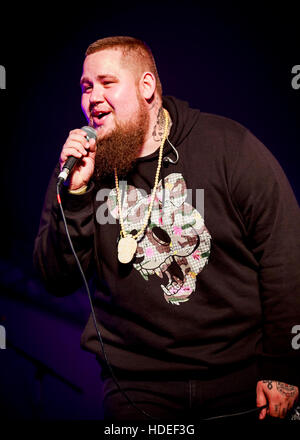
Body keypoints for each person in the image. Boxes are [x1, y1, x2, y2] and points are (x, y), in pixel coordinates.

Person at [33, 36, 300, 422]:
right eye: (86, 87)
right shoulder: (81, 170)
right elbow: (54, 277)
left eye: (107, 83)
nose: (92, 97)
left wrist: (283, 366)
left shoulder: (228, 147)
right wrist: (75, 195)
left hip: (238, 379)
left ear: (147, 87)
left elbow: (285, 255)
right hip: (138, 386)